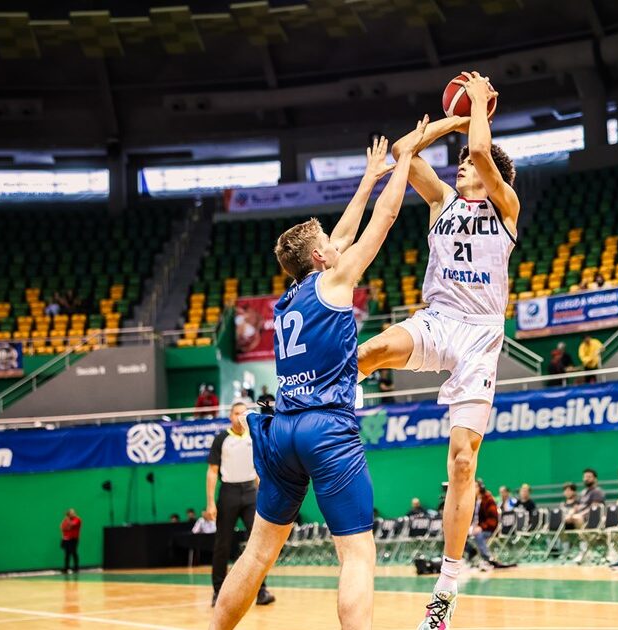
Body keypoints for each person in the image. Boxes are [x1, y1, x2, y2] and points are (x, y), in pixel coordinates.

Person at [209, 126, 422, 630]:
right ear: (322, 257)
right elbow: (385, 220)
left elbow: (341, 235)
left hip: (282, 430)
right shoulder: (336, 280)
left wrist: (369, 177)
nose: (336, 242)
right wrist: (405, 160)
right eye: (328, 242)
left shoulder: (288, 300)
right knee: (356, 555)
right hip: (325, 427)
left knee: (259, 554)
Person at [354, 71, 520, 629]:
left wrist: (477, 107)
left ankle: (446, 591)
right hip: (438, 319)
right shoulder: (443, 201)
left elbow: (478, 146)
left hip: (479, 338)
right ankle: (303, 402)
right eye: (463, 163)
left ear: (492, 174)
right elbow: (402, 151)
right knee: (368, 352)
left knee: (463, 461)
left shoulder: (504, 205)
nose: (462, 165)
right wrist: (452, 115)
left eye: (470, 164)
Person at [206, 401, 274, 608]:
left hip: (250, 493)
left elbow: (261, 466)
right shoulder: (221, 439)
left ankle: (261, 590)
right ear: (230, 416)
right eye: (236, 413)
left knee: (257, 543)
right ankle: (218, 591)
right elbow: (212, 472)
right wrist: (210, 503)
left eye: (243, 413)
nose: (239, 417)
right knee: (222, 544)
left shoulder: (254, 437)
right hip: (228, 492)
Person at [60, 508, 81, 574]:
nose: (73, 514)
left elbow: (72, 525)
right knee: (67, 554)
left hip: (74, 539)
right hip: (67, 539)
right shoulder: (65, 520)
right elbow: (62, 527)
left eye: (73, 513)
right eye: (71, 513)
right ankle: (66, 568)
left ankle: (76, 568)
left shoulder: (77, 519)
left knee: (74, 552)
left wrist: (67, 520)